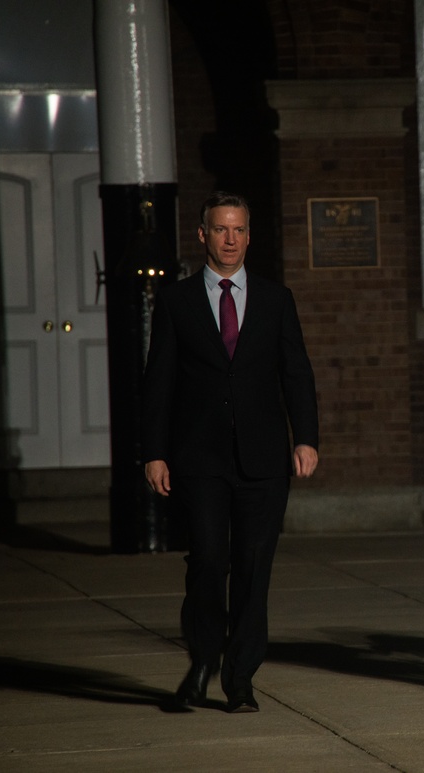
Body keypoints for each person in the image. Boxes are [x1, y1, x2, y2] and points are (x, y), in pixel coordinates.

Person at [142, 191, 319, 713]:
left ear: (249, 234)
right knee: (208, 561)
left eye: (238, 230)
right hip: (198, 459)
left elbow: (297, 373)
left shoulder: (275, 299)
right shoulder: (176, 302)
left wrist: (306, 437)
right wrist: (154, 452)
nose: (230, 239)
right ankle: (202, 659)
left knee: (252, 566)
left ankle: (240, 677)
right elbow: (158, 383)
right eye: (220, 229)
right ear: (203, 235)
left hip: (264, 459)